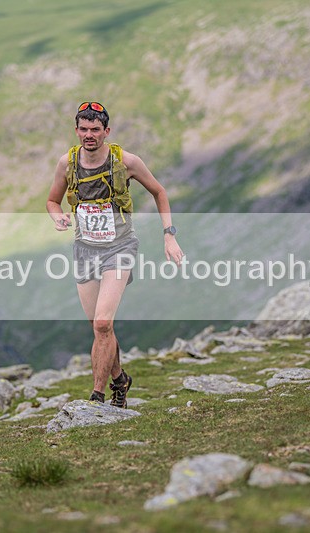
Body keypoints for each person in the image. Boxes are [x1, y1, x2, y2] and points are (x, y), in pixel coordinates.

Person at [46, 101, 184, 408]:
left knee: (103, 324)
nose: (89, 135)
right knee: (98, 327)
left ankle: (97, 396)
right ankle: (120, 379)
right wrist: (57, 217)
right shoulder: (66, 164)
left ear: (106, 131)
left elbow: (159, 192)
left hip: (119, 247)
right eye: (83, 129)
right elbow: (53, 201)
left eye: (95, 129)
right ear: (76, 130)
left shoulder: (127, 161)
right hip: (84, 249)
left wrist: (169, 236)